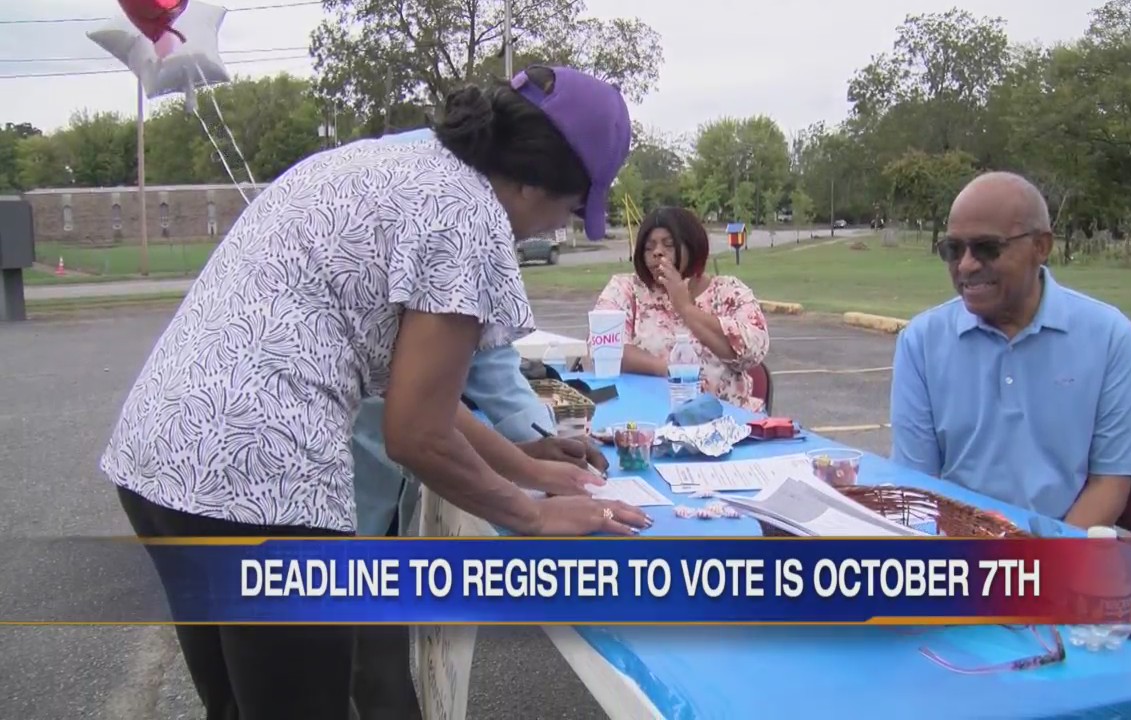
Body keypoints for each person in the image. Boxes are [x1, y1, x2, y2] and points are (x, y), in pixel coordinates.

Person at [99, 65, 646, 720]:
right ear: (534, 179)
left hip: (160, 464)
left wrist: (529, 467)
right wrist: (531, 515)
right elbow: (415, 436)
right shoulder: (468, 215)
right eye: (569, 210)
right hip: (263, 484)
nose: (555, 229)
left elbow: (413, 397)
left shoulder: (392, 166)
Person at [889, 171, 1131, 529]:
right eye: (953, 249)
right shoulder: (921, 341)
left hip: (1060, 556)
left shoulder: (1110, 337)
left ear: (1041, 247)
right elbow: (915, 485)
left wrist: (1038, 566)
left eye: (987, 248)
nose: (967, 265)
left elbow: (1109, 485)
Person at [349, 343, 606, 720]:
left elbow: (482, 364)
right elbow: (416, 423)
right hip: (289, 482)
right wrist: (530, 499)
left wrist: (530, 451)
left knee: (375, 649)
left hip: (351, 490)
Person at [593, 206, 771, 411]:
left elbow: (751, 352)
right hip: (644, 417)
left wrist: (684, 307)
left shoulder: (728, 291)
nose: (657, 252)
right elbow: (604, 348)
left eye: (668, 245)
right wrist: (671, 372)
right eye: (649, 248)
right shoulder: (626, 289)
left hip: (727, 419)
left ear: (692, 247)